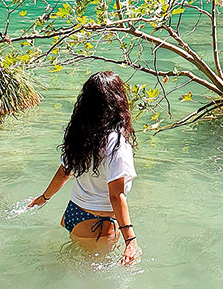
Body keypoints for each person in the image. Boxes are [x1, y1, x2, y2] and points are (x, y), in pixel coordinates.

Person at [29, 71, 140, 264]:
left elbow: (64, 172)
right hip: (98, 225)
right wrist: (130, 241)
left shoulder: (79, 135)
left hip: (72, 215)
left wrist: (43, 198)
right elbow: (116, 195)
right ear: (118, 102)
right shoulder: (116, 143)